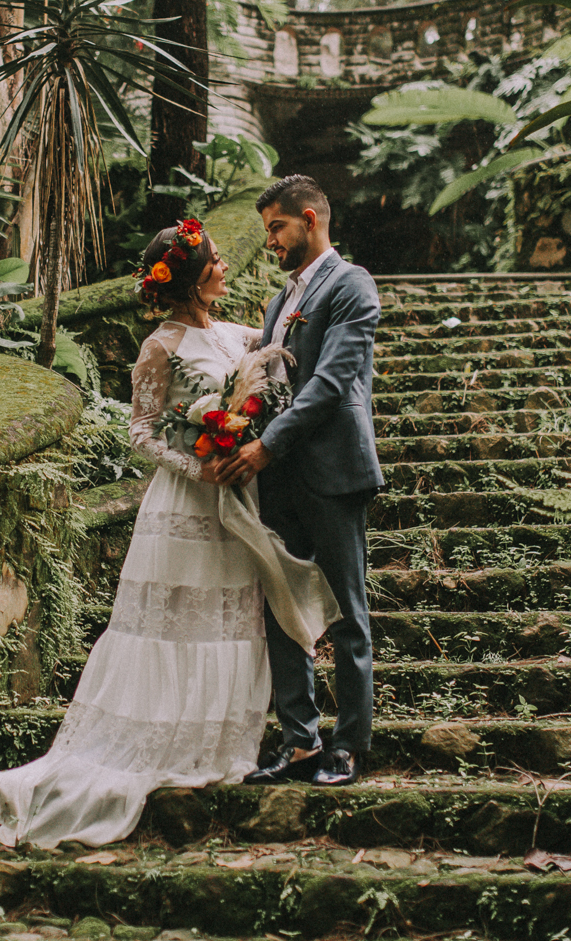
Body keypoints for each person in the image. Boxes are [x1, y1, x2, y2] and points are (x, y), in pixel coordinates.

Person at [0, 221, 338, 848]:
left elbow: (280, 360)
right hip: (186, 503)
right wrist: (198, 467)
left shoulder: (236, 334)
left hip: (241, 496)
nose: (225, 266)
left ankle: (219, 739)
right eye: (216, 260)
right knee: (177, 624)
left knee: (233, 619)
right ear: (193, 278)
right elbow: (142, 432)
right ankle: (159, 738)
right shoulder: (159, 346)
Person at [213, 174, 383, 789]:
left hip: (332, 471)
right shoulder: (277, 303)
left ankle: (349, 745)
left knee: (347, 613)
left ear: (310, 219)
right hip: (278, 477)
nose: (272, 242)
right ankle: (299, 741)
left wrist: (266, 445)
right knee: (282, 611)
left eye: (277, 228)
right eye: (268, 232)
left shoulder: (351, 284)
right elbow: (267, 382)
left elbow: (331, 382)